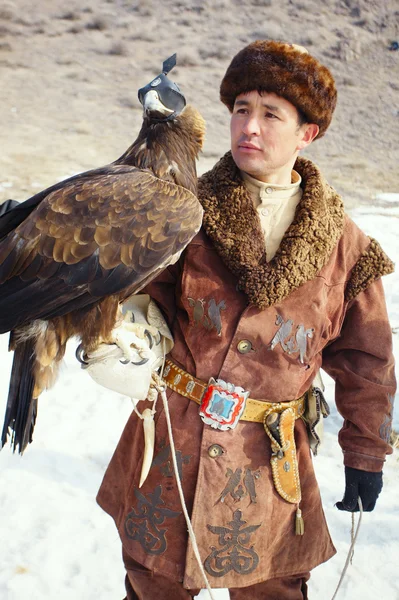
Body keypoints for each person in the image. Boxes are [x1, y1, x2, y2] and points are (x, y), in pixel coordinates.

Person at [89, 41, 396, 599]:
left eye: (270, 114)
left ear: (308, 133)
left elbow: (367, 362)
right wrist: (119, 336)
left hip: (270, 467)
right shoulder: (180, 213)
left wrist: (366, 453)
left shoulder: (348, 247)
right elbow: (134, 302)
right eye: (240, 109)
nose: (249, 126)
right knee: (153, 586)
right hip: (170, 451)